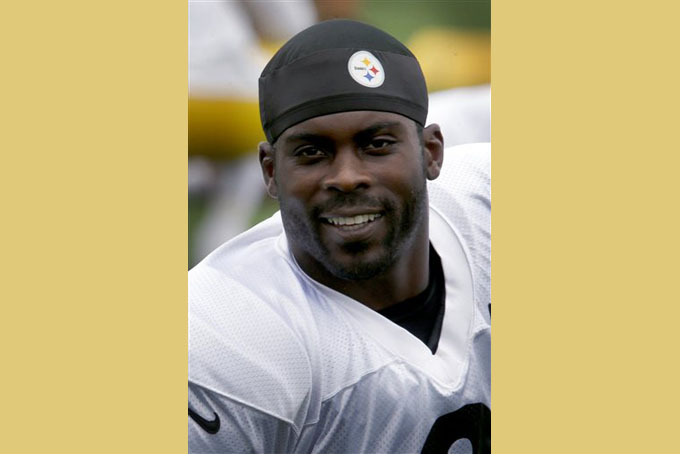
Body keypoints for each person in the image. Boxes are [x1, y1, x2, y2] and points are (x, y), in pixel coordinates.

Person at [189, 19, 490, 453]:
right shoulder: (222, 335)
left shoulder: (487, 205)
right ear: (271, 172)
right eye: (312, 152)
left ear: (431, 153)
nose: (347, 177)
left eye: (377, 145)